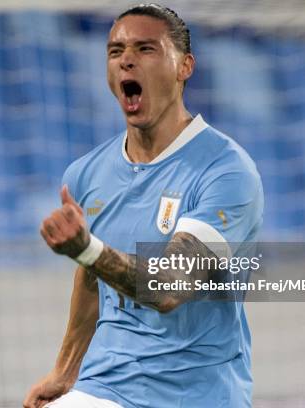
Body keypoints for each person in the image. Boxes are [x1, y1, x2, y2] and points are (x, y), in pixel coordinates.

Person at [23, 4, 263, 407]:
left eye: (145, 49)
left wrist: (87, 248)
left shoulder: (226, 170)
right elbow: (91, 279)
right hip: (107, 387)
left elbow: (169, 289)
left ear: (184, 66)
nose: (126, 60)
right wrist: (65, 371)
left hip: (197, 394)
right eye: (115, 51)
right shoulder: (86, 173)